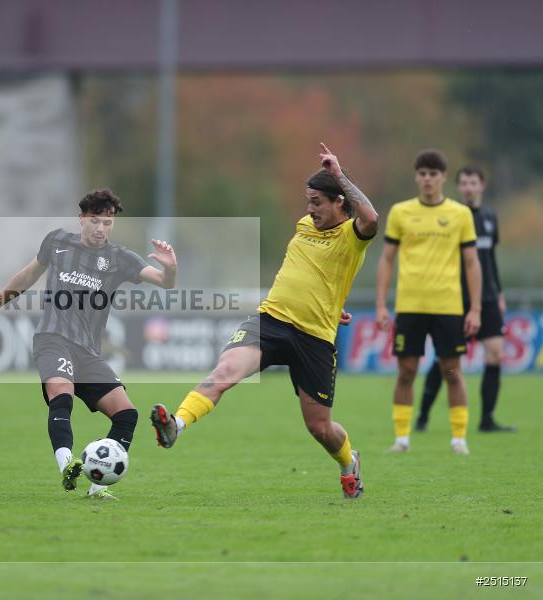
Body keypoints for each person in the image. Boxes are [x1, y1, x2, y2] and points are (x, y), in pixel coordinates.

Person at [150, 143, 377, 499]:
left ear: (339, 203)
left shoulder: (352, 236)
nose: (309, 209)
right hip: (270, 320)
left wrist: (339, 175)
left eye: (317, 202)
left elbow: (372, 219)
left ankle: (349, 463)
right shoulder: (305, 225)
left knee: (320, 428)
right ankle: (176, 425)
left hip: (314, 337)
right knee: (224, 372)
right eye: (308, 201)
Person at [0, 188, 177, 500]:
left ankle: (97, 486)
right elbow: (29, 275)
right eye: (95, 221)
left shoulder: (120, 259)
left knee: (127, 414)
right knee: (62, 394)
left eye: (107, 223)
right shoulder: (56, 242)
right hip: (52, 339)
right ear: (81, 219)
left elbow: (165, 282)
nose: (101, 228)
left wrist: (170, 266)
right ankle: (67, 464)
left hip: (87, 351)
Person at [375, 150, 481, 455]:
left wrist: (474, 308)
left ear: (443, 177)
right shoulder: (400, 212)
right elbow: (386, 259)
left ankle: (459, 439)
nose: (427, 180)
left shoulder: (460, 214)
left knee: (452, 371)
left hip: (448, 306)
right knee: (406, 371)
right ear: (416, 177)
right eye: (422, 174)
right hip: (410, 305)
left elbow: (472, 263)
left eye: (433, 174)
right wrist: (382, 305)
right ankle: (402, 438)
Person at [415, 166, 514, 433]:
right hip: (456, 298)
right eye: (465, 183)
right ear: (458, 187)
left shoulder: (490, 217)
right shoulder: (452, 217)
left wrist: (500, 293)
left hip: (489, 297)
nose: (469, 187)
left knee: (495, 353)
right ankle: (423, 415)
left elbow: (489, 259)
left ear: (482, 185)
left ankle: (487, 420)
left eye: (474, 182)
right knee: (445, 360)